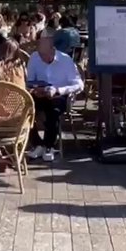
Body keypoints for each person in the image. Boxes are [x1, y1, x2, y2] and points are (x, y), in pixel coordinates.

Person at [25, 33, 84, 162]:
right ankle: (37, 143)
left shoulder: (65, 60)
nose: (43, 58)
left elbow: (79, 84)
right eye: (41, 55)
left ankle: (49, 145)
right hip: (40, 94)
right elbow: (30, 81)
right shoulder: (35, 58)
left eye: (45, 55)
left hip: (60, 95)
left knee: (53, 111)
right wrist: (36, 89)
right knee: (24, 109)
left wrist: (58, 90)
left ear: (53, 50)